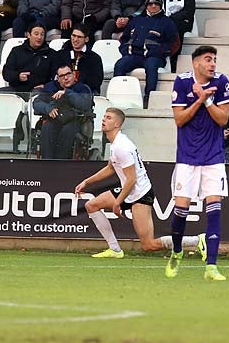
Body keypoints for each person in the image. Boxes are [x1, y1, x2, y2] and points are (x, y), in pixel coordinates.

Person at [75, 107, 204, 258]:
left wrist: (117, 202)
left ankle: (197, 241)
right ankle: (115, 250)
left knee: (148, 245)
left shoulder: (123, 147)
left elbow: (132, 179)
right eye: (104, 116)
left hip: (140, 194)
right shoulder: (116, 144)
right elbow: (111, 168)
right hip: (129, 190)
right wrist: (86, 182)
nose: (104, 120)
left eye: (108, 118)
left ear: (117, 124)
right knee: (92, 205)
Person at [167, 45, 229, 281]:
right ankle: (176, 250)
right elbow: (180, 120)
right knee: (181, 210)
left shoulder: (222, 82)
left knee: (214, 207)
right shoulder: (182, 82)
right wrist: (198, 100)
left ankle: (211, 267)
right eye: (208, 59)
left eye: (214, 59)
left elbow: (223, 119)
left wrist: (206, 101)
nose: (213, 64)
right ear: (196, 64)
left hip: (214, 156)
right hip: (187, 157)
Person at [113, 0, 178, 100]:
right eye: (150, 3)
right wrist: (125, 50)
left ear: (161, 5)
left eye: (156, 4)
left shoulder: (168, 22)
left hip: (154, 56)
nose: (153, 6)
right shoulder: (136, 20)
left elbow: (174, 43)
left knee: (151, 66)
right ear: (146, 5)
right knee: (120, 64)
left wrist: (162, 52)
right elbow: (124, 38)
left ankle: (149, 97)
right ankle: (119, 95)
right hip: (134, 55)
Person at [32, 62, 94, 160]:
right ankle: (46, 163)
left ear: (73, 74)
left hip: (75, 120)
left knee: (67, 131)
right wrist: (48, 109)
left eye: (68, 74)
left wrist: (67, 92)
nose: (66, 78)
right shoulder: (51, 87)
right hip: (55, 118)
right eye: (62, 76)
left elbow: (85, 105)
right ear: (58, 78)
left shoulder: (82, 88)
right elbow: (36, 103)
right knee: (47, 128)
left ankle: (61, 163)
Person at [152, 0, 196, 72]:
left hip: (181, 23)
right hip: (159, 23)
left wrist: (170, 19)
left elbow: (189, 11)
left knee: (173, 25)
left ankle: (174, 59)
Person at [0, 24, 52, 95]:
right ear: (29, 35)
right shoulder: (16, 51)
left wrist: (46, 86)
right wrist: (18, 76)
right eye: (36, 34)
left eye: (42, 34)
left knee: (38, 94)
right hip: (17, 88)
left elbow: (55, 75)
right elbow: (7, 73)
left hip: (38, 89)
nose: (39, 37)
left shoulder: (51, 53)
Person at [52, 26, 103, 93]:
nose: (75, 39)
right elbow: (54, 75)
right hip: (61, 91)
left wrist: (74, 87)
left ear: (86, 39)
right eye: (74, 35)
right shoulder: (60, 55)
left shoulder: (94, 58)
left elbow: (95, 82)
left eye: (79, 37)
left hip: (84, 93)